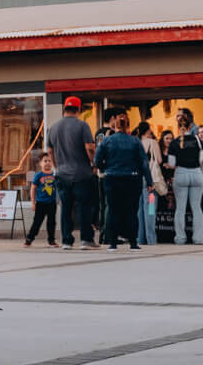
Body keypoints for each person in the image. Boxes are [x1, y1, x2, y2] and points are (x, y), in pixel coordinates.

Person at [46, 96, 100, 251]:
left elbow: (50, 150)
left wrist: (57, 166)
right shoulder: (82, 125)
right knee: (84, 207)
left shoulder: (53, 127)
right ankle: (86, 240)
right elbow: (89, 147)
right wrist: (93, 164)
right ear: (79, 109)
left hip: (62, 174)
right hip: (82, 173)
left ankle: (67, 241)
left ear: (64, 109)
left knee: (66, 208)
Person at [97, 111, 149, 251]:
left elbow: (97, 160)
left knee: (113, 210)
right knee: (131, 211)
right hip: (132, 179)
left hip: (112, 178)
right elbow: (144, 162)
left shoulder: (107, 141)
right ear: (128, 126)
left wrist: (105, 168)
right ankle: (133, 242)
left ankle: (112, 242)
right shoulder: (135, 141)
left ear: (115, 125)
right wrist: (149, 181)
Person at [169, 110, 203, 245]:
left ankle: (180, 238)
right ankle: (198, 238)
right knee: (196, 207)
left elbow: (172, 164)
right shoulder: (197, 140)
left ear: (178, 127)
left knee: (180, 208)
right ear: (190, 126)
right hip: (196, 173)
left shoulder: (174, 143)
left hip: (181, 174)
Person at [25, 152, 59, 247]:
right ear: (40, 163)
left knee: (51, 222)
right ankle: (29, 239)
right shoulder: (38, 175)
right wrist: (33, 202)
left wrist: (59, 199)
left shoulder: (54, 175)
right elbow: (33, 189)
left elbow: (58, 188)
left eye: (49, 161)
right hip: (40, 203)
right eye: (45, 161)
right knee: (37, 222)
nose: (47, 163)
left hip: (52, 202)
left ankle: (51, 240)